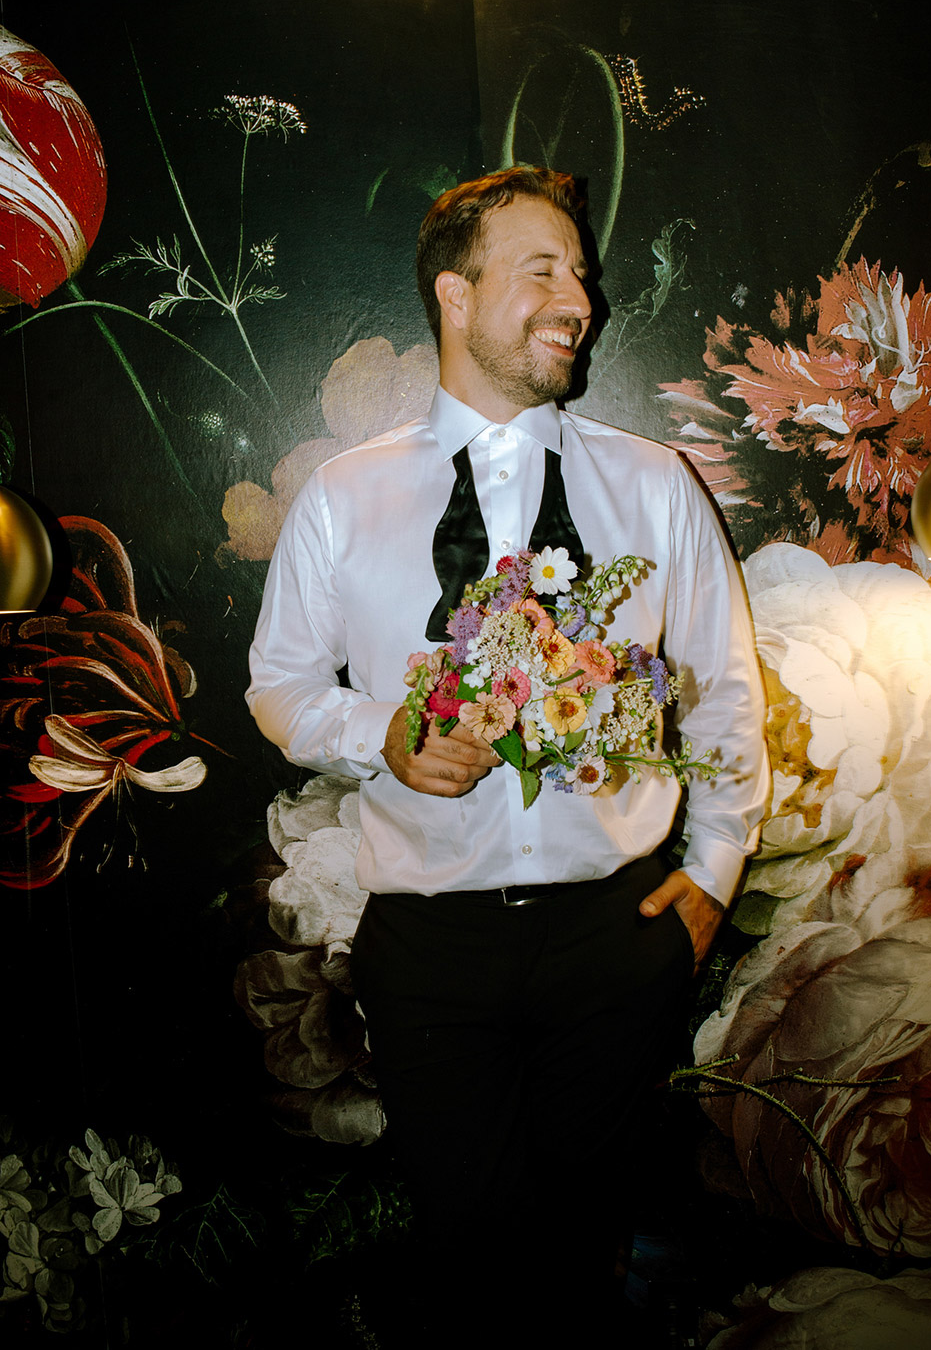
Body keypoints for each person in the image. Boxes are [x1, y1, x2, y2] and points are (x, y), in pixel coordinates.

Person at [247, 167, 769, 1345]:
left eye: (579, 272)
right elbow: (276, 686)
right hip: (432, 949)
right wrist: (373, 734)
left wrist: (716, 875)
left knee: (589, 1267)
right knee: (469, 1265)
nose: (576, 294)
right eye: (541, 267)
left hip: (619, 934)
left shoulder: (654, 483)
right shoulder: (343, 496)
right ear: (453, 290)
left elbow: (727, 688)